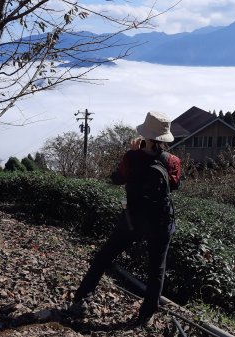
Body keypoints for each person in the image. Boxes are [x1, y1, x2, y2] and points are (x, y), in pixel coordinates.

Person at [70, 111, 181, 325]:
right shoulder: (173, 160)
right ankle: (146, 315)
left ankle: (80, 299)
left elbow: (118, 178)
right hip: (161, 221)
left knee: (104, 257)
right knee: (157, 269)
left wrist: (134, 153)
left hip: (133, 221)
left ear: (146, 135)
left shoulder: (132, 157)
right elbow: (175, 185)